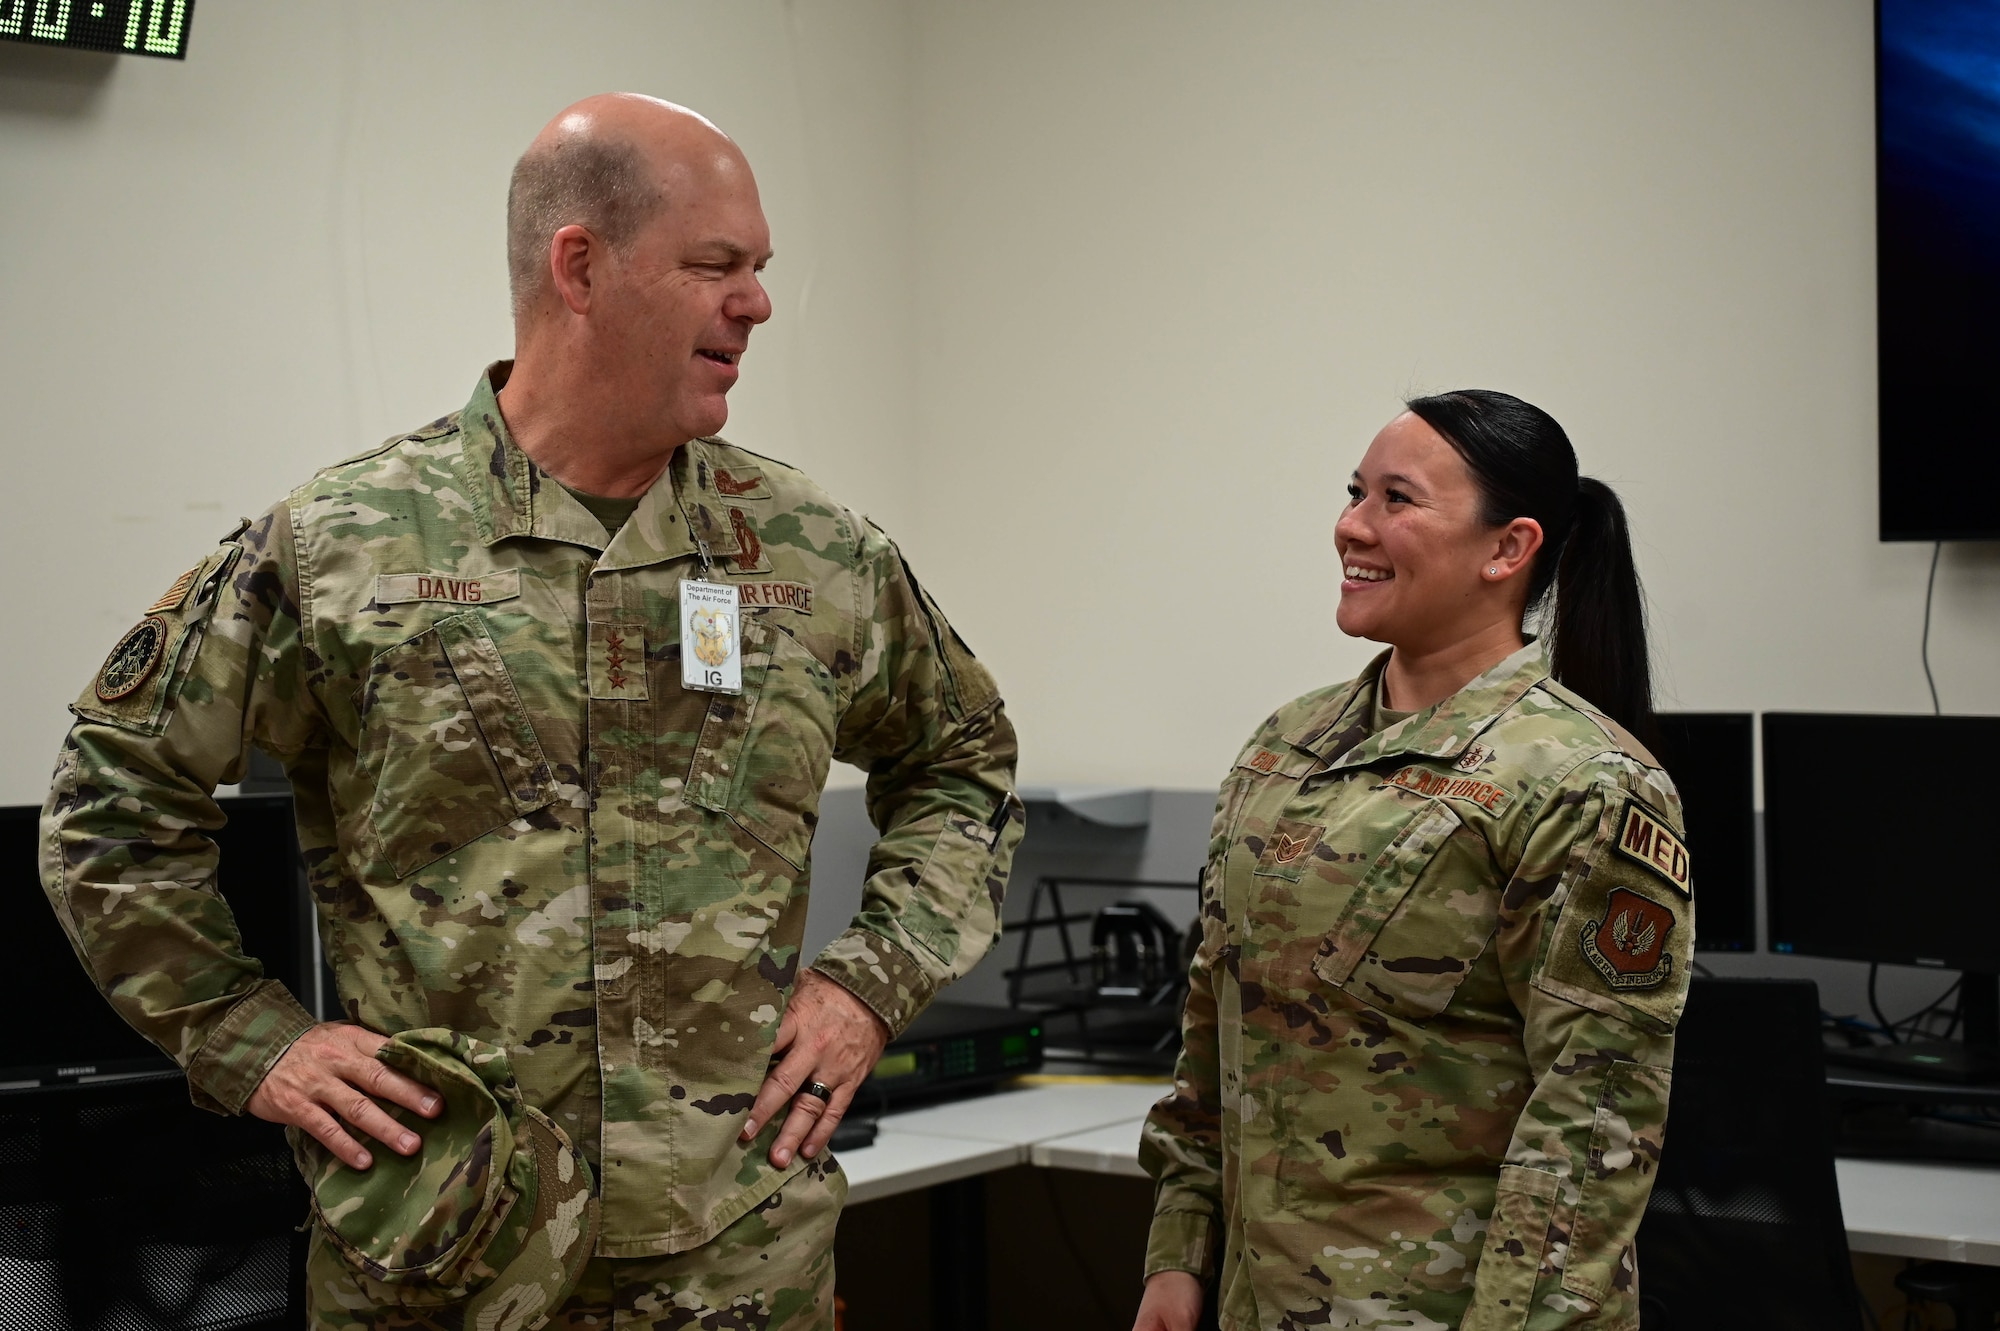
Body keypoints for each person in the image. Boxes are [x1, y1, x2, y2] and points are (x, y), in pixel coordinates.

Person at [40, 94, 1022, 1328]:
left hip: (733, 1264)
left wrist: (869, 978)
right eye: (717, 266)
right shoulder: (346, 545)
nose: (758, 303)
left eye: (760, 270)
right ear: (580, 266)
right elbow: (110, 808)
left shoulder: (810, 551)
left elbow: (965, 761)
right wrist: (257, 1041)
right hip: (447, 1261)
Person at [1134, 390, 1692, 1331]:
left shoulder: (1583, 781)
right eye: (1355, 491)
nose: (1352, 524)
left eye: (1398, 498)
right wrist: (1178, 1254)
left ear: (1507, 549)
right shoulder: (1285, 747)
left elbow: (1590, 1128)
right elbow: (1211, 1027)